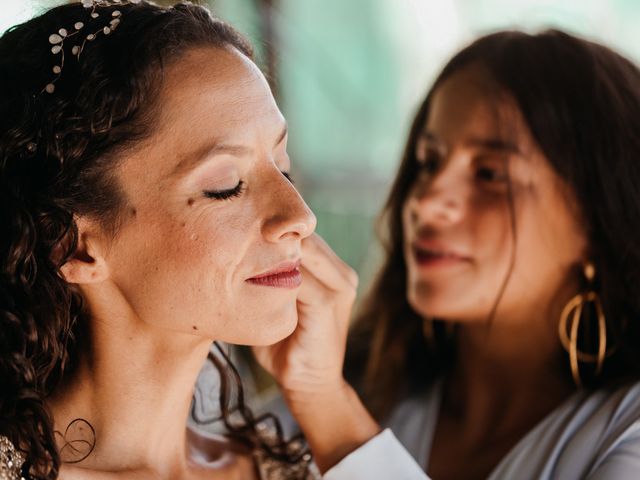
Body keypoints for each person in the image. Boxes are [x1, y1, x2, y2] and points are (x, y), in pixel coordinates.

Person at [0, 1, 392, 479]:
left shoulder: (285, 467)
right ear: (73, 245)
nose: (300, 217)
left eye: (283, 167)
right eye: (226, 185)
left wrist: (325, 398)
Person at [340, 29, 640, 478]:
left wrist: (337, 431)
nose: (426, 201)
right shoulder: (366, 385)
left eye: (489, 173)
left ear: (596, 222)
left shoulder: (627, 431)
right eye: (429, 162)